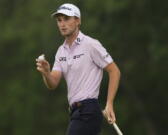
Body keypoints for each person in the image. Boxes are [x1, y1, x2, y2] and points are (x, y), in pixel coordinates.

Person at [36, 3, 120, 135]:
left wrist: (109, 104)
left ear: (78, 21)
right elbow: (52, 84)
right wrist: (46, 73)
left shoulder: (90, 44)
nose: (62, 24)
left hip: (88, 111)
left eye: (67, 19)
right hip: (75, 112)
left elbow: (114, 71)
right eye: (59, 20)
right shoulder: (60, 51)